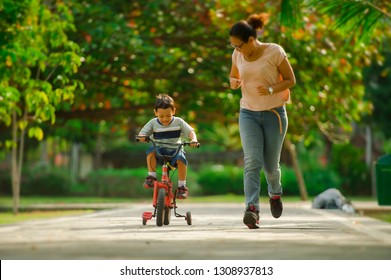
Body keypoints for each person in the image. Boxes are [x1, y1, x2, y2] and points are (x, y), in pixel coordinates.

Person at [229, 13, 296, 229]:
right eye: (233, 46)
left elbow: (290, 80)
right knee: (252, 161)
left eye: (238, 45)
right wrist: (233, 82)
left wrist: (270, 89)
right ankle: (252, 210)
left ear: (251, 40)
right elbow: (234, 75)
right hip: (248, 113)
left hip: (273, 114)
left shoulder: (274, 51)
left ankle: (275, 194)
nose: (236, 50)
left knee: (270, 167)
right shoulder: (237, 55)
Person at [137, 94, 199, 199]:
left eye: (168, 115)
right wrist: (142, 137)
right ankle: (151, 177)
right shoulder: (152, 123)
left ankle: (181, 187)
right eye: (161, 116)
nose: (165, 119)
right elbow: (142, 133)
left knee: (182, 159)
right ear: (155, 112)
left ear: (173, 111)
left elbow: (190, 132)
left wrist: (194, 140)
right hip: (159, 151)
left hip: (175, 150)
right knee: (151, 150)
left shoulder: (178, 122)